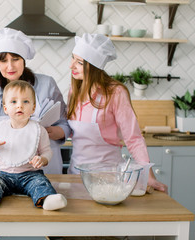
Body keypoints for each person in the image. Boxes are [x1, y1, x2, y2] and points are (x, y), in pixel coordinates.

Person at [67, 33, 167, 192]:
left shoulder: (115, 93)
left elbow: (133, 138)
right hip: (75, 176)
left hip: (108, 179)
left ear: (94, 66)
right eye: (72, 58)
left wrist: (149, 176)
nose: (71, 65)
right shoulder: (75, 90)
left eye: (79, 62)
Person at [0, 28, 71, 174]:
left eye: (15, 59)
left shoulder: (47, 85)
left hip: (47, 166)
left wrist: (51, 132)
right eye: (3, 60)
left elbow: (65, 124)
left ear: (23, 60)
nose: (10, 66)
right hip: (10, 171)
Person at [0, 80, 67, 210]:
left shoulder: (38, 130)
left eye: (25, 102)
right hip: (4, 174)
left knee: (41, 183)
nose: (19, 106)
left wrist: (42, 159)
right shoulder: (0, 128)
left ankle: (47, 199)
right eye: (14, 102)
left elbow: (47, 152)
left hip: (30, 174)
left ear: (33, 108)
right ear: (5, 108)